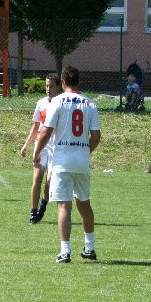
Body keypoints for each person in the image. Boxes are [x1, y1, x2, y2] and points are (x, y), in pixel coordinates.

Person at [33, 65, 101, 264]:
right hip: (81, 162)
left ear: (63, 82)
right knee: (84, 203)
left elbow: (46, 131)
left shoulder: (57, 101)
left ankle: (65, 251)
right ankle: (90, 247)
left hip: (62, 161)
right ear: (78, 81)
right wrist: (85, 151)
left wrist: (37, 152)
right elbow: (96, 136)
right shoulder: (90, 103)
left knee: (64, 205)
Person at [19, 73, 59, 223]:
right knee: (37, 178)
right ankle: (33, 211)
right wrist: (26, 145)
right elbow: (36, 127)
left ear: (58, 87)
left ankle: (43, 205)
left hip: (55, 147)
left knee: (49, 182)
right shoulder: (41, 103)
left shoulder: (61, 103)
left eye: (51, 86)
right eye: (46, 86)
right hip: (41, 145)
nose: (48, 89)